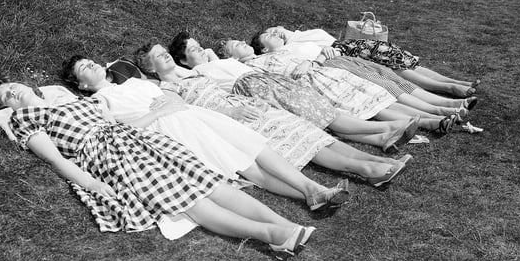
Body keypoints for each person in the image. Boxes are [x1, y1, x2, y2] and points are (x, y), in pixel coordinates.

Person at [0, 78, 315, 258]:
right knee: (193, 202)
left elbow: (122, 123)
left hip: (140, 141)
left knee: (214, 185)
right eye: (6, 95)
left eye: (12, 84)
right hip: (108, 156)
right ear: (6, 107)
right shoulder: (27, 120)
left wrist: (155, 116)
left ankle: (288, 226)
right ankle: (272, 235)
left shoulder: (69, 100)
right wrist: (93, 185)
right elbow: (56, 159)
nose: (13, 90)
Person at [61, 55, 350, 211]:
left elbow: (170, 91)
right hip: (171, 129)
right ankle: (313, 193)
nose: (92, 64)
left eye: (90, 60)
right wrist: (158, 113)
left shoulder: (129, 80)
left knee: (255, 145)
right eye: (84, 68)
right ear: (82, 85)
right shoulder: (98, 101)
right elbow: (119, 132)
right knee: (244, 164)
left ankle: (313, 189)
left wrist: (174, 101)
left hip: (192, 114)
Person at [136, 42, 412, 187]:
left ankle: (376, 160)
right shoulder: (165, 88)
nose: (165, 56)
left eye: (164, 52)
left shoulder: (192, 72)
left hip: (249, 104)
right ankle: (367, 170)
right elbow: (187, 113)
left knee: (311, 133)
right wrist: (230, 110)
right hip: (233, 117)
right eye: (158, 56)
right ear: (151, 68)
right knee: (302, 144)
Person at [169, 32, 456, 137]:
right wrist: (206, 54)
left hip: (322, 72)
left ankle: (437, 113)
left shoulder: (262, 55)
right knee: (370, 106)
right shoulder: (243, 66)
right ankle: (430, 120)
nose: (242, 43)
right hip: (309, 82)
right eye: (236, 45)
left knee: (379, 94)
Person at [252, 28, 475, 117]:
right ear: (263, 48)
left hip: (343, 55)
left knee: (394, 76)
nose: (274, 33)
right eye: (268, 35)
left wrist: (285, 33)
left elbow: (321, 43)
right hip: (335, 66)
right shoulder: (272, 58)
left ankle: (449, 97)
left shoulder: (293, 40)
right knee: (389, 84)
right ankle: (445, 105)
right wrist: (317, 60)